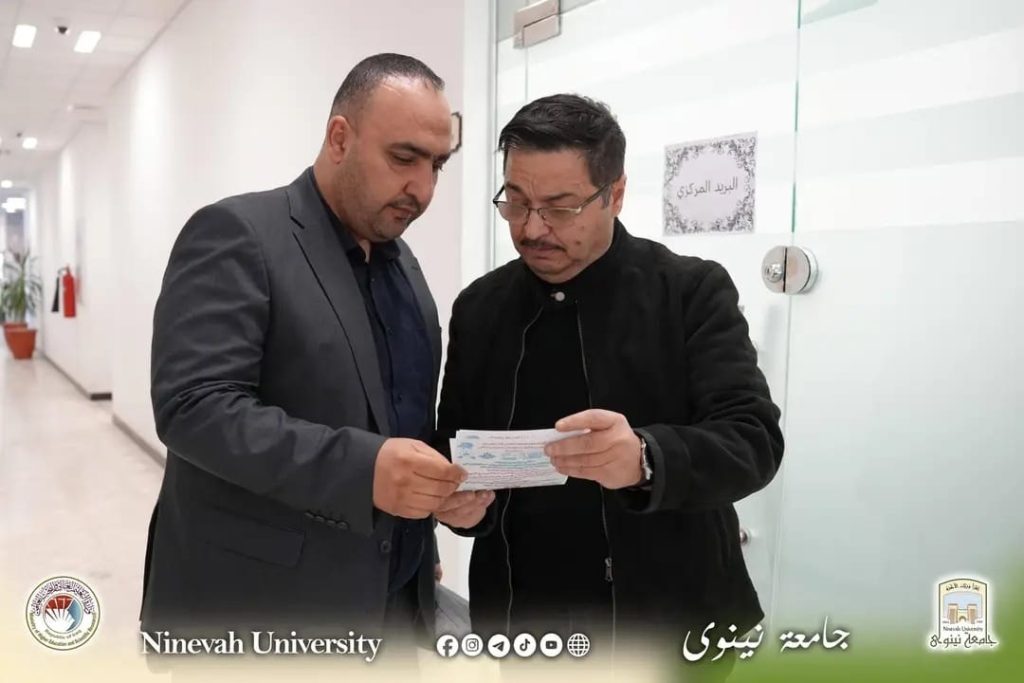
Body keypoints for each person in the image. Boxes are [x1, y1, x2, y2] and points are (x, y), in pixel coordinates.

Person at [142, 53, 488, 649]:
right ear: (339, 138)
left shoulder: (404, 266)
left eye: (437, 164)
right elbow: (194, 408)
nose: (423, 189)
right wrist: (364, 471)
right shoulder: (237, 233)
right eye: (404, 158)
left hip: (396, 607)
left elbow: (399, 419)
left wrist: (433, 505)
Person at [435, 94, 784, 674]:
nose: (532, 228)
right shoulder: (480, 309)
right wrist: (460, 507)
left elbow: (753, 441)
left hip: (672, 624)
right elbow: (456, 448)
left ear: (615, 195)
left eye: (560, 207)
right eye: (515, 202)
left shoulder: (689, 292)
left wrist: (646, 458)